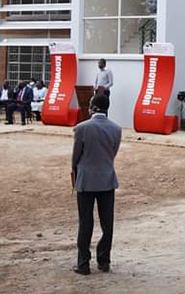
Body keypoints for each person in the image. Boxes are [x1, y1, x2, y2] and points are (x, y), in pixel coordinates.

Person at [71, 94, 122, 275]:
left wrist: (76, 172)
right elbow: (113, 153)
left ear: (91, 106)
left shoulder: (82, 128)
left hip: (86, 180)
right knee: (107, 223)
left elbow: (75, 157)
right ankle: (104, 260)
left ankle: (83, 263)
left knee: (86, 222)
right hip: (107, 180)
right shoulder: (116, 129)